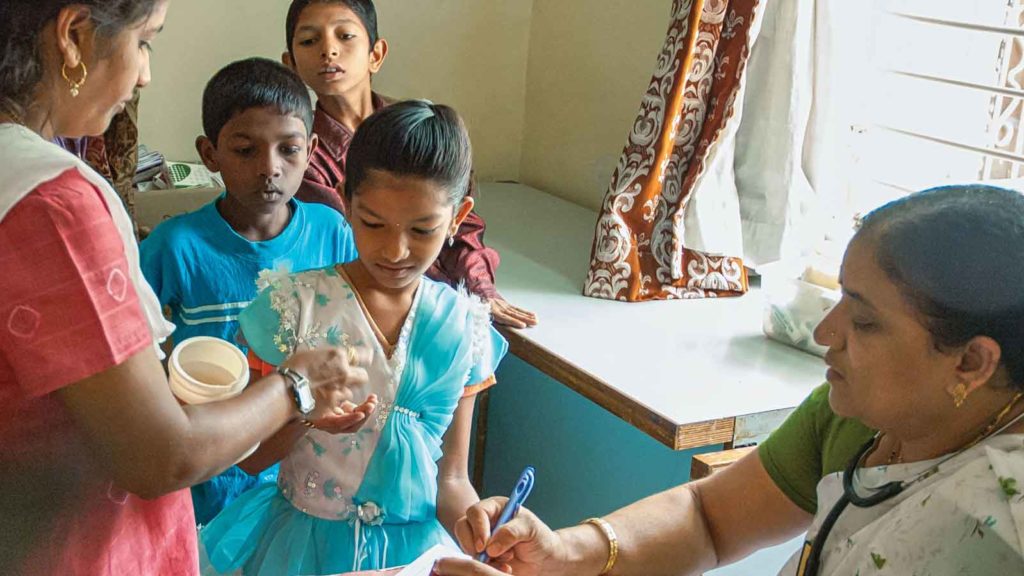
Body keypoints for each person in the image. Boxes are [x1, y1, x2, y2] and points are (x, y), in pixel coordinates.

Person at [434, 185, 1024, 576]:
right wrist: (566, 553)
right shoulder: (858, 412)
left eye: (865, 320)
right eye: (840, 299)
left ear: (972, 362)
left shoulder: (990, 527)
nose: (825, 332)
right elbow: (709, 519)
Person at [0, 2, 369, 574]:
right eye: (144, 41)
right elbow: (158, 456)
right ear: (74, 37)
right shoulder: (55, 206)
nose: (145, 72)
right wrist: (296, 385)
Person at [200, 100, 509, 575]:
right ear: (345, 200)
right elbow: (249, 458)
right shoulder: (293, 308)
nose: (395, 250)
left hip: (415, 555)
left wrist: (473, 522)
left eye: (422, 229)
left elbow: (452, 478)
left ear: (457, 216)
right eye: (373, 223)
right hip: (302, 550)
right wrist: (305, 414)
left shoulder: (461, 326)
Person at [140, 57, 360, 526]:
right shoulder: (175, 246)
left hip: (305, 474)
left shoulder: (331, 233)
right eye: (245, 150)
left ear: (312, 149)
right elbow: (136, 353)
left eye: (289, 150)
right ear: (209, 153)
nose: (269, 168)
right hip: (210, 476)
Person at [282, 0, 538, 329]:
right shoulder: (300, 156)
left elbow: (461, 223)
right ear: (291, 64)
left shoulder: (424, 129)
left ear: (376, 54)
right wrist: (450, 304)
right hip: (371, 318)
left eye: (345, 36)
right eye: (309, 41)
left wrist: (479, 290)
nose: (328, 50)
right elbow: (362, 252)